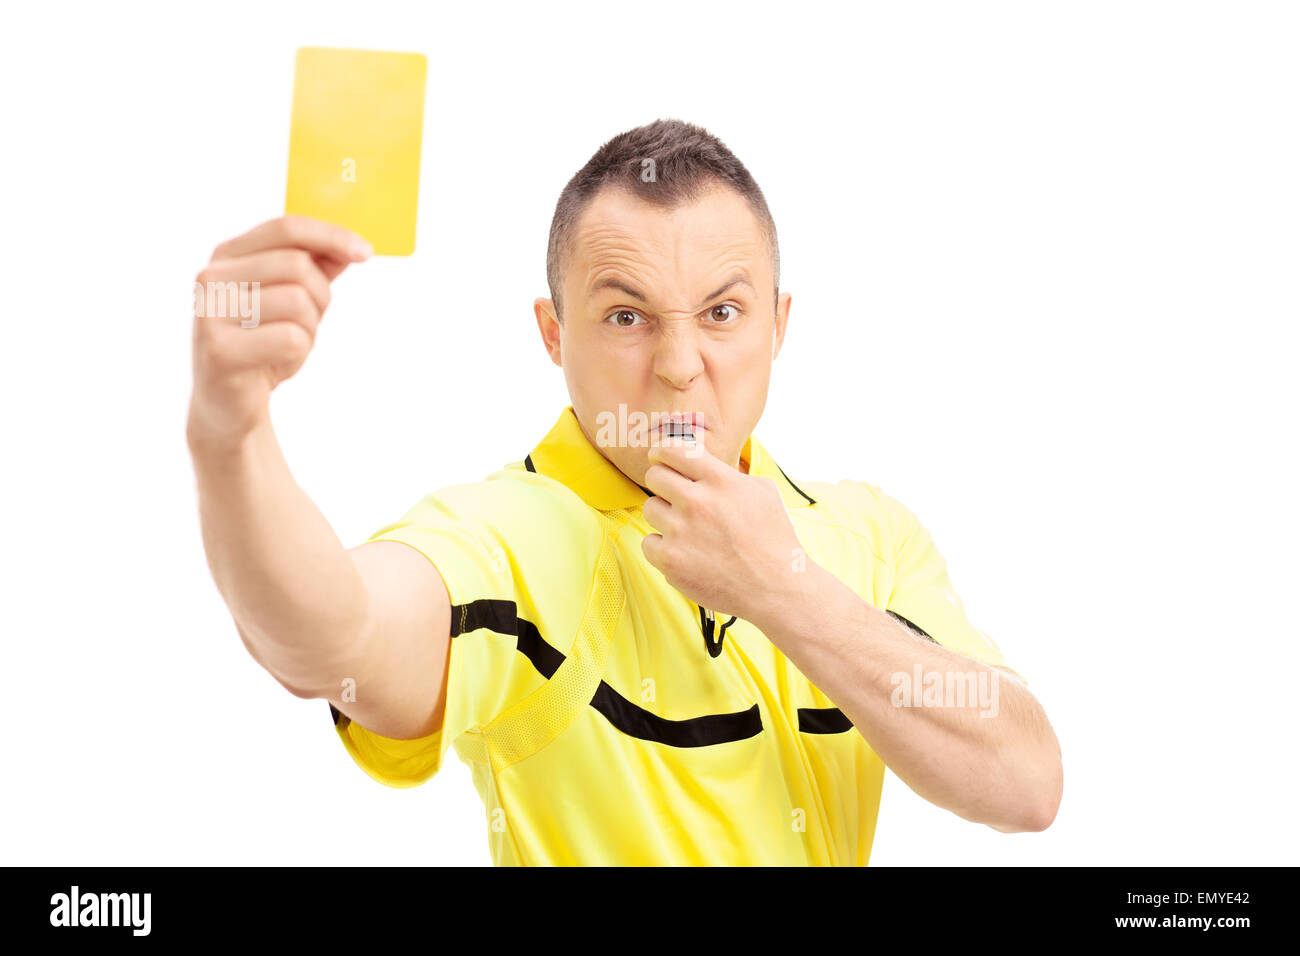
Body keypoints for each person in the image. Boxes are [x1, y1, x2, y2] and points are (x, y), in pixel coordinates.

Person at [188, 118, 1062, 866]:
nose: (681, 370)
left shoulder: (870, 533)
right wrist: (231, 435)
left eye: (721, 313)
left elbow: (1026, 785)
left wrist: (782, 588)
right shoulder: (517, 533)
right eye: (626, 316)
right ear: (553, 334)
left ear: (779, 326)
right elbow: (328, 638)